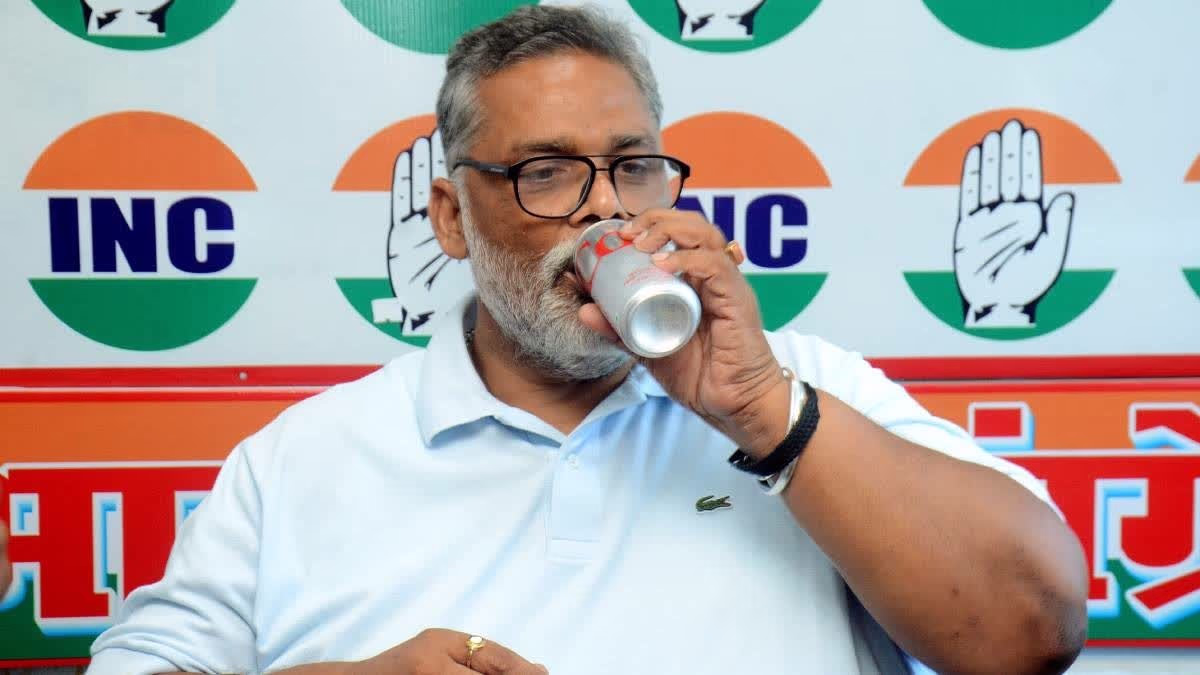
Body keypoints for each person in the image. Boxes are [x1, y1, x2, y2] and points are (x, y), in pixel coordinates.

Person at [84, 5, 1087, 674]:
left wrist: (764, 412)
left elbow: (1032, 632)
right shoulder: (302, 460)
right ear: (451, 219)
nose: (606, 210)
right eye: (548, 172)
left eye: (633, 166)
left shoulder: (808, 389)